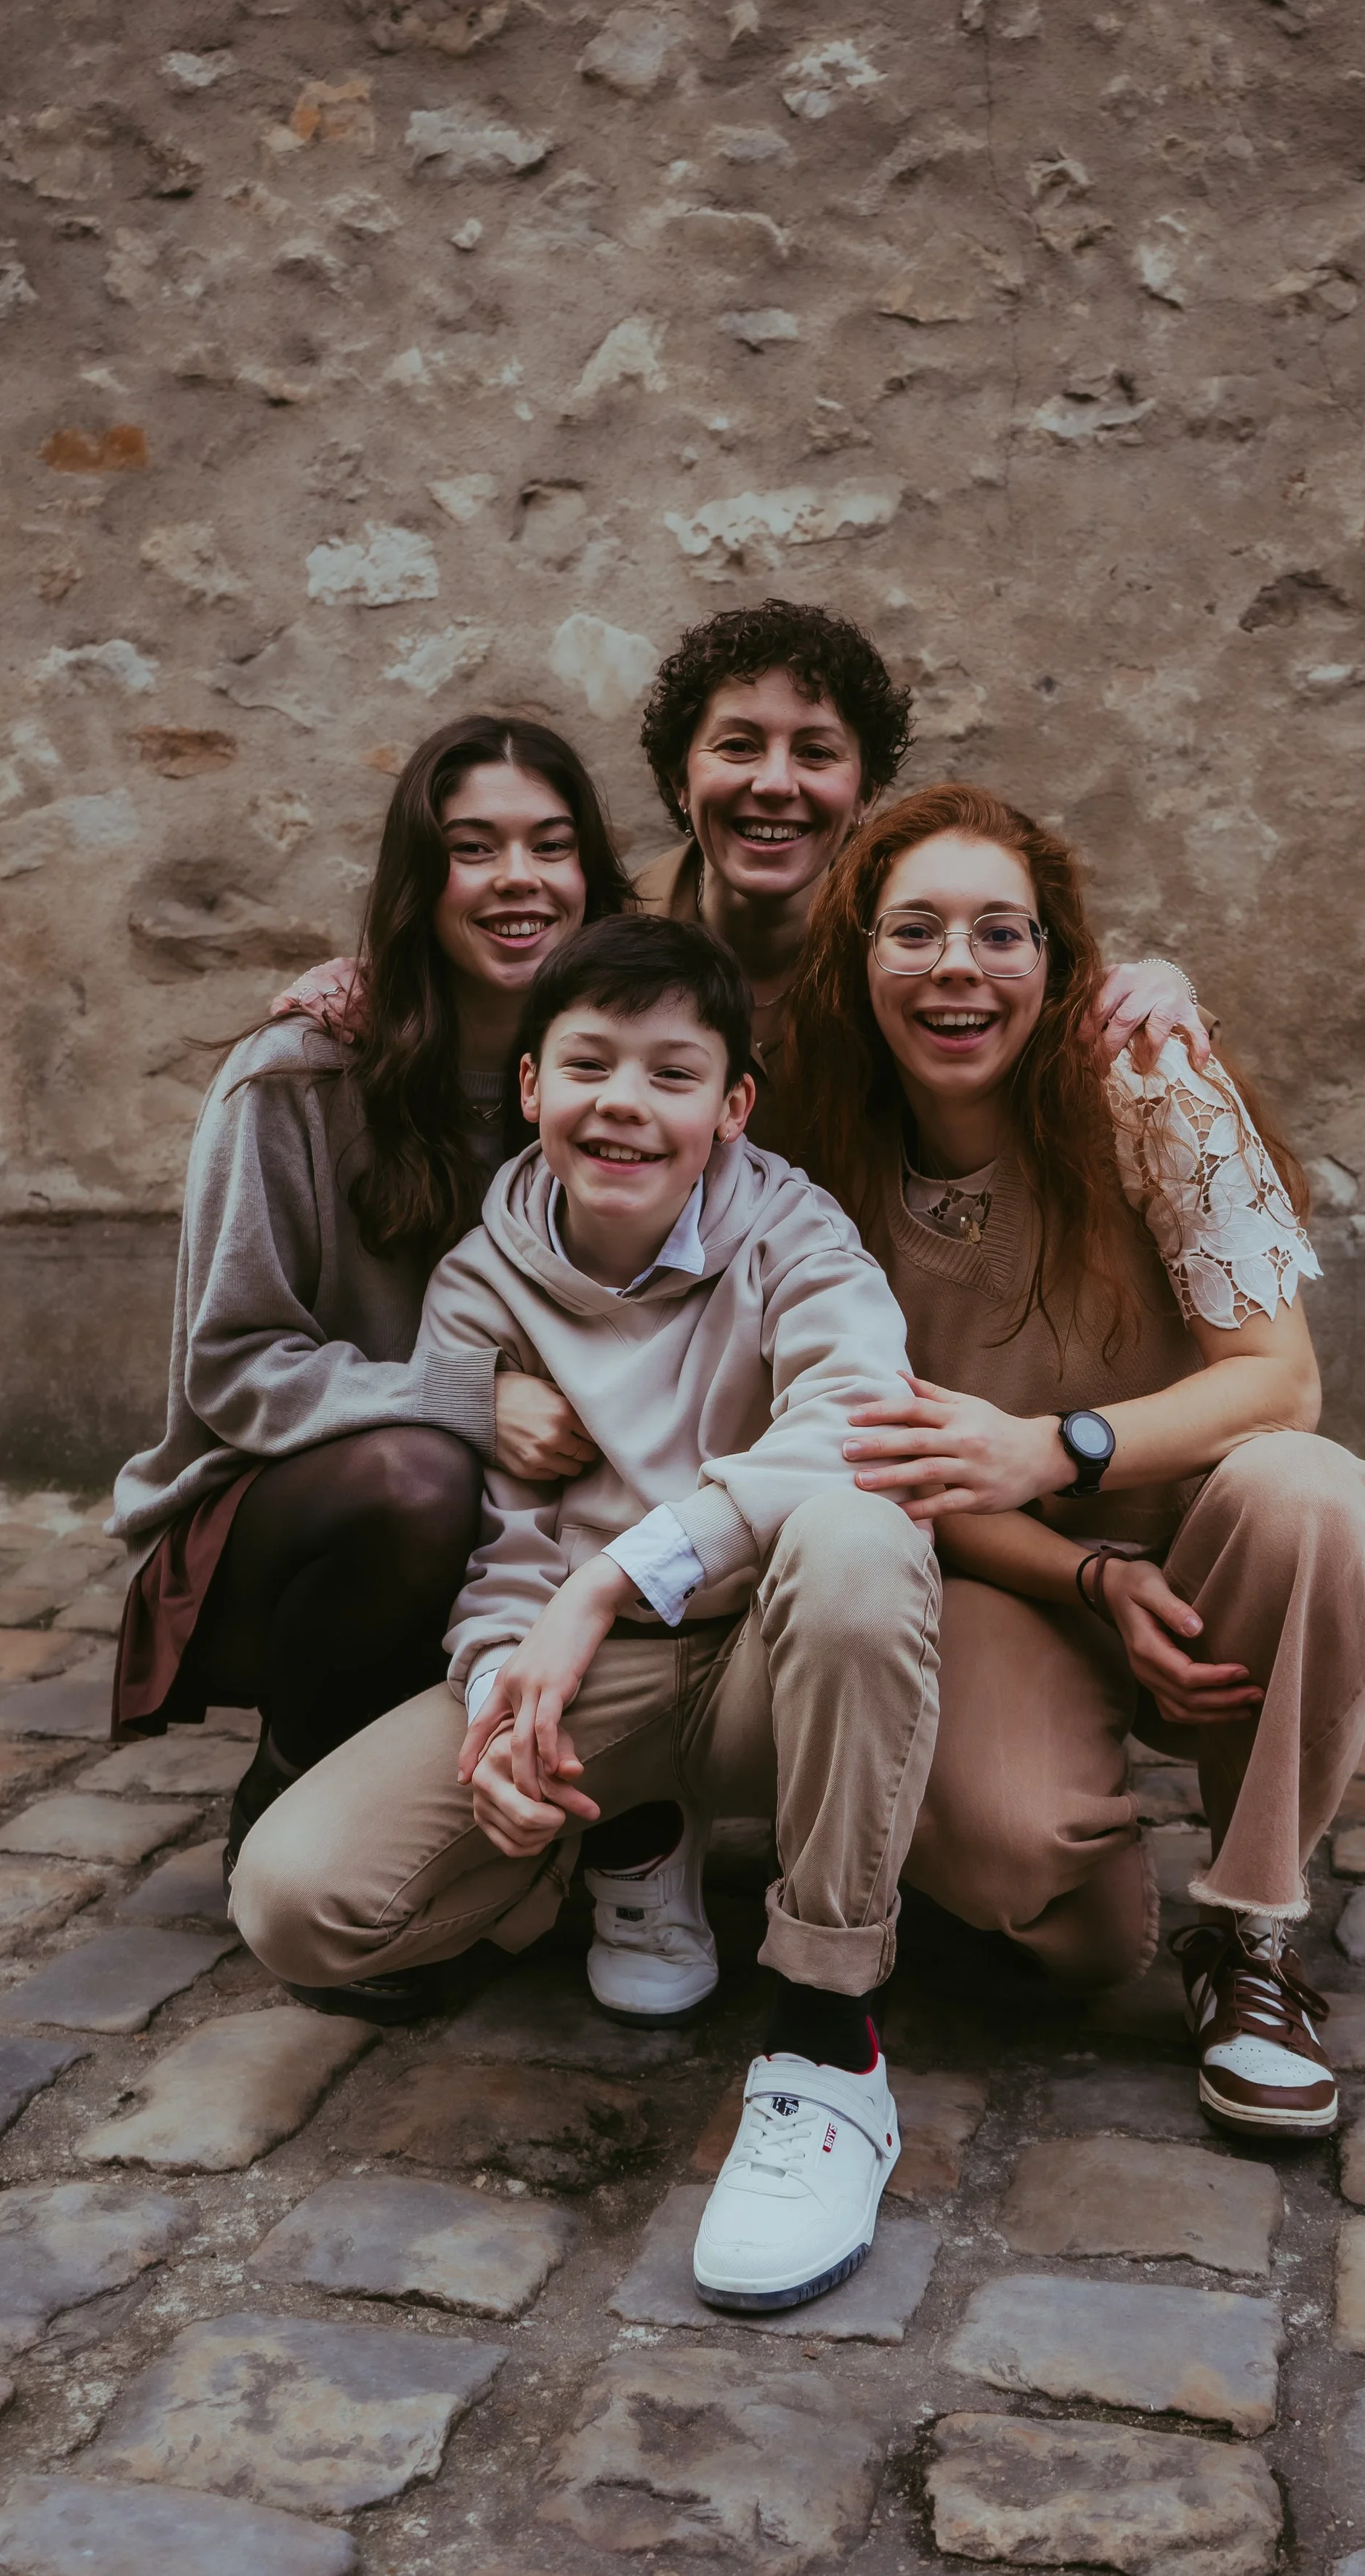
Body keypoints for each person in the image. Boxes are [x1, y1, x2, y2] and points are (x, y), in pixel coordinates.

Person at [230, 915, 939, 2311]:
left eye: (674, 1074)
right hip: (592, 1684)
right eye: (592, 1066)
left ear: (732, 1108)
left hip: (762, 1666)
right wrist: (505, 1693)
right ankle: (613, 1834)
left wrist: (615, 1579)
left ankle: (825, 2035)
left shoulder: (793, 1228)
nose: (627, 1103)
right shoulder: (483, 1279)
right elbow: (500, 1547)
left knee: (862, 1539)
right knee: (297, 1902)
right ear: (536, 1091)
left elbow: (860, 1426)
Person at [782, 783, 1365, 2138]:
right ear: (858, 961)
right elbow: (885, 1464)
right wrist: (1088, 1574)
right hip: (1014, 1578)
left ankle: (1250, 1941)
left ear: (1061, 966)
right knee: (1051, 1925)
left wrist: (1056, 1448)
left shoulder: (1151, 1092)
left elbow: (1280, 1381)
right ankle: (1054, 1833)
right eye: (916, 933)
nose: (959, 967)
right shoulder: (816, 1156)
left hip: (1206, 1554)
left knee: (1318, 1495)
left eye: (1001, 934)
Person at [108, 716, 628, 1966]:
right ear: (420, 880)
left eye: (552, 847)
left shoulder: (616, 1091)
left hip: (525, 1534)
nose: (520, 878)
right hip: (295, 1537)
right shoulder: (289, 1083)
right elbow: (231, 1367)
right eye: (474, 848)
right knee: (419, 1476)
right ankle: (288, 1780)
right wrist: (459, 1400)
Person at [632, 598, 1210, 1126]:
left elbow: (1075, 1015)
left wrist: (1162, 983)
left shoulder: (915, 936)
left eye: (816, 753)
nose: (777, 783)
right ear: (680, 778)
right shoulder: (607, 925)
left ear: (866, 795)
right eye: (737, 746)